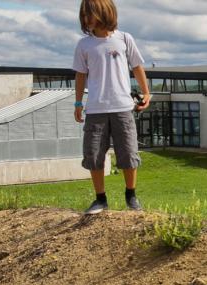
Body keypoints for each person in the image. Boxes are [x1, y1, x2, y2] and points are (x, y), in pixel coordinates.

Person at [72, 0, 150, 215]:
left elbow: (137, 67)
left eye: (91, 13)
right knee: (93, 154)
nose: (87, 18)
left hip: (123, 107)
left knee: (128, 153)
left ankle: (131, 196)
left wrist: (147, 92)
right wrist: (78, 102)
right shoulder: (84, 45)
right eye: (85, 15)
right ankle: (100, 200)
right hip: (95, 109)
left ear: (104, 12)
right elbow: (80, 75)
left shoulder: (124, 39)